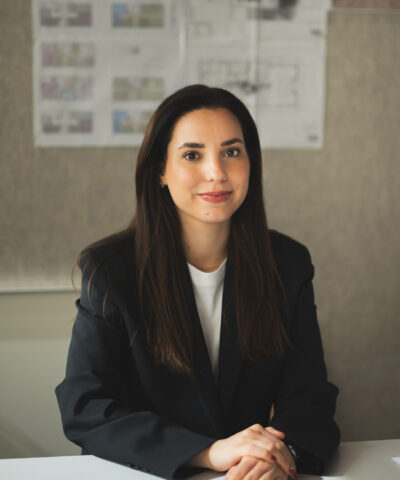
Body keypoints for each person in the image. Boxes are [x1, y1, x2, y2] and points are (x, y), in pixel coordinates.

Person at [56, 84, 340, 480]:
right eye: (192, 155)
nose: (217, 173)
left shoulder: (287, 264)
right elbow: (86, 407)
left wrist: (280, 453)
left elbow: (309, 394)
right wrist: (209, 452)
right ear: (160, 170)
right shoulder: (110, 271)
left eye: (232, 152)